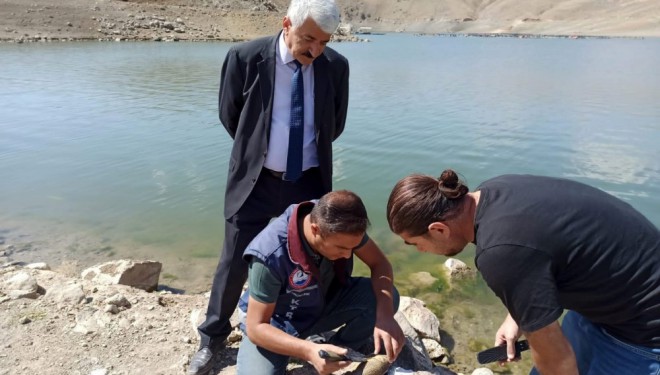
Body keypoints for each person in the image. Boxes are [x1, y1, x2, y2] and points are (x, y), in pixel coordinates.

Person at [189, 0, 349, 373]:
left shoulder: (336, 67)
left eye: (324, 42)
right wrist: (264, 155)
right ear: (286, 25)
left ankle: (301, 331)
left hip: (308, 180)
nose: (315, 50)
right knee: (233, 261)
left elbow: (334, 125)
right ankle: (212, 336)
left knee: (314, 258)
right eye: (309, 39)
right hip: (255, 182)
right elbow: (231, 116)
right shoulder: (245, 57)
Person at [386, 169, 660, 375]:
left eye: (415, 244)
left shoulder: (499, 253)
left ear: (438, 229)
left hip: (643, 332)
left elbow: (557, 359)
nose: (419, 251)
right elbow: (535, 253)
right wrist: (516, 316)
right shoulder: (493, 192)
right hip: (606, 302)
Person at [236, 190, 404, 374]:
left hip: (321, 304)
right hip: (278, 322)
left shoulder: (343, 221)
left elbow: (380, 264)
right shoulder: (269, 254)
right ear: (315, 230)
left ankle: (337, 352)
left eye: (352, 247)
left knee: (386, 298)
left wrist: (385, 316)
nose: (348, 255)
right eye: (341, 248)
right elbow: (256, 327)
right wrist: (307, 351)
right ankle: (311, 350)